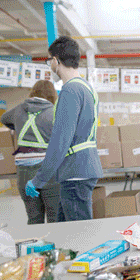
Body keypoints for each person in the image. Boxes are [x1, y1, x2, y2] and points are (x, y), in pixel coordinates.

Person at [25, 36, 103, 222]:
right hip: (82, 169)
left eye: (49, 60)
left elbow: (60, 141)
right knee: (63, 230)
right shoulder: (87, 88)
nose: (49, 65)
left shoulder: (70, 91)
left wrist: (39, 179)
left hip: (75, 173)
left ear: (56, 61)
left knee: (79, 237)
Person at [0, 80, 60, 224]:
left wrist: (18, 125)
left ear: (33, 92)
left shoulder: (19, 109)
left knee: (34, 217)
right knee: (55, 217)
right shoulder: (54, 112)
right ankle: (55, 246)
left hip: (24, 172)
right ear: (53, 95)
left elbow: (3, 119)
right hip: (48, 171)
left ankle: (35, 245)